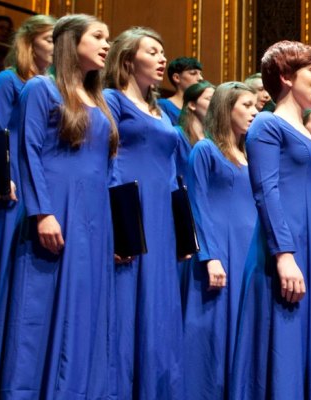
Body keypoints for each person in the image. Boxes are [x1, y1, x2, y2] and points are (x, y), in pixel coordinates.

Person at [0, 14, 121, 398]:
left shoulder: (100, 100)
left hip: (94, 218)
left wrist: (115, 230)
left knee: (85, 309)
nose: (107, 45)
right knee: (38, 307)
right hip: (56, 207)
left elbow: (109, 170)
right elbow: (27, 151)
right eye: (98, 36)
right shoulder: (41, 88)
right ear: (71, 41)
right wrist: (42, 212)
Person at [228, 40, 311, 398]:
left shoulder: (310, 137)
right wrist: (284, 254)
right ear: (285, 76)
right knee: (285, 343)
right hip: (288, 251)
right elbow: (266, 191)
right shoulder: (268, 124)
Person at [100, 28, 192, 397]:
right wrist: (118, 222)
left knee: (158, 303)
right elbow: (107, 160)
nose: (161, 58)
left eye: (162, 51)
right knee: (126, 299)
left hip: (161, 214)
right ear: (127, 59)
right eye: (151, 51)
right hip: (129, 206)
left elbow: (172, 172)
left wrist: (182, 230)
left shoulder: (160, 111)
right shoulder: (112, 99)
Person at [180, 81, 259, 400]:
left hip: (248, 253)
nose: (255, 112)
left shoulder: (251, 156)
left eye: (255, 106)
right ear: (226, 109)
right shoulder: (206, 150)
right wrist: (209, 256)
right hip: (220, 252)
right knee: (213, 332)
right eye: (247, 106)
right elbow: (196, 204)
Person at [0, 13, 55, 312]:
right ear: (29, 42)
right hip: (13, 175)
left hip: (40, 173)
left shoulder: (54, 87)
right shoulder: (8, 79)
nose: (55, 46)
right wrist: (2, 177)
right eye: (49, 39)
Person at [158, 56, 203, 122]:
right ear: (177, 78)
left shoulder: (200, 108)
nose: (200, 78)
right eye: (193, 73)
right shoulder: (163, 105)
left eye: (200, 74)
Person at [176, 81, 215, 145]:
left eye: (215, 100)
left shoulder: (213, 139)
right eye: (209, 99)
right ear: (192, 105)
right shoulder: (177, 134)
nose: (215, 104)